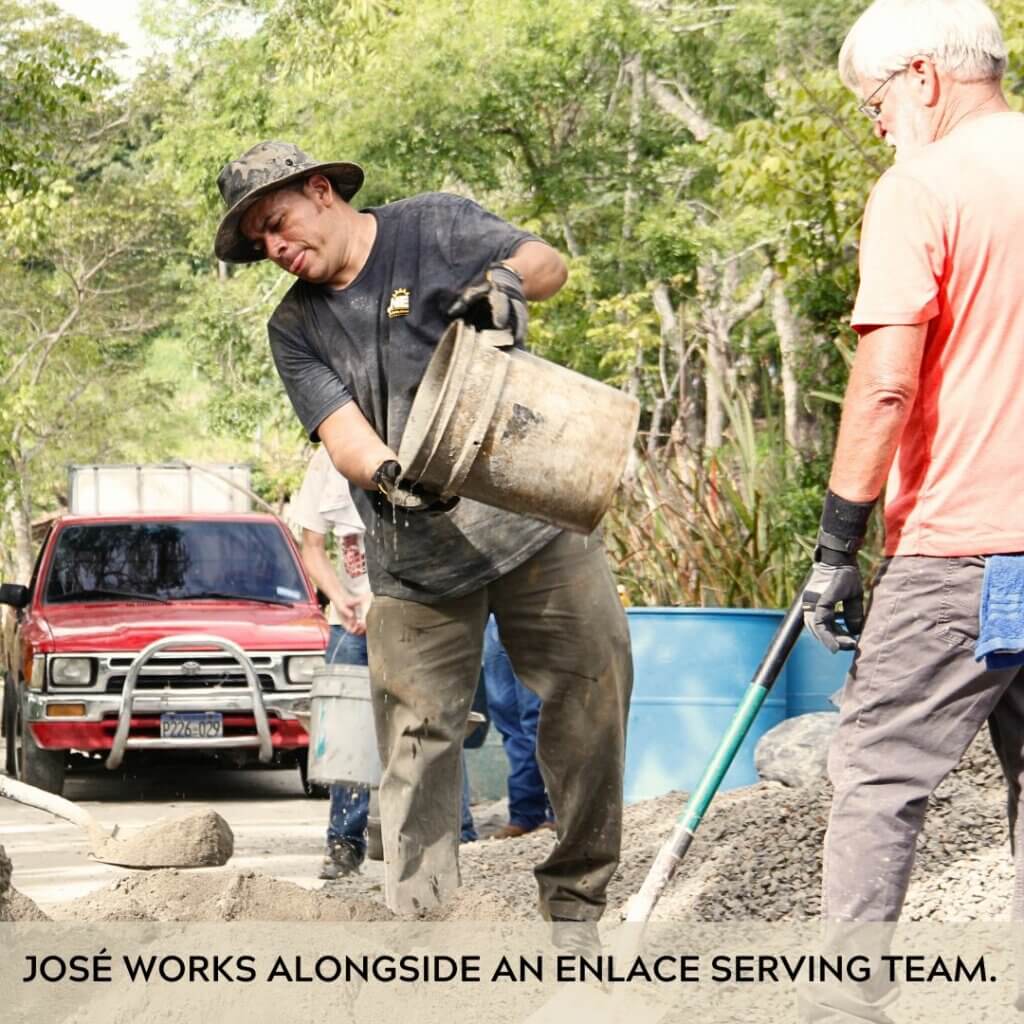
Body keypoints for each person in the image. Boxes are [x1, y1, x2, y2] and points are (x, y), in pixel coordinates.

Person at [213, 141, 632, 924]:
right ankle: (425, 934)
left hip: (534, 524)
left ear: (320, 191)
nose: (274, 248)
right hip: (411, 554)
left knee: (590, 700)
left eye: (276, 224)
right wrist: (393, 477)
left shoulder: (432, 225)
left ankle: (576, 910)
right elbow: (342, 434)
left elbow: (547, 265)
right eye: (260, 244)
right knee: (415, 744)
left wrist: (503, 285)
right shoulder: (295, 327)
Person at [799, 0, 1024, 1017]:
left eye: (876, 102)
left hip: (967, 546)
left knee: (881, 773)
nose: (878, 123)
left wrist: (836, 543)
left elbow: (886, 380)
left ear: (925, 78)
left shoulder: (920, 187)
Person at [290, 447, 476, 880]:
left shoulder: (413, 445)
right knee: (348, 731)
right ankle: (343, 844)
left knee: (433, 719)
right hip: (351, 620)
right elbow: (312, 547)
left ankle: (459, 835)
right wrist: (341, 599)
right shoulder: (325, 460)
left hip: (416, 613)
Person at [482, 615, 554, 839]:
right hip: (493, 619)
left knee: (537, 719)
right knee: (507, 718)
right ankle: (525, 814)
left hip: (531, 612)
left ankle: (556, 811)